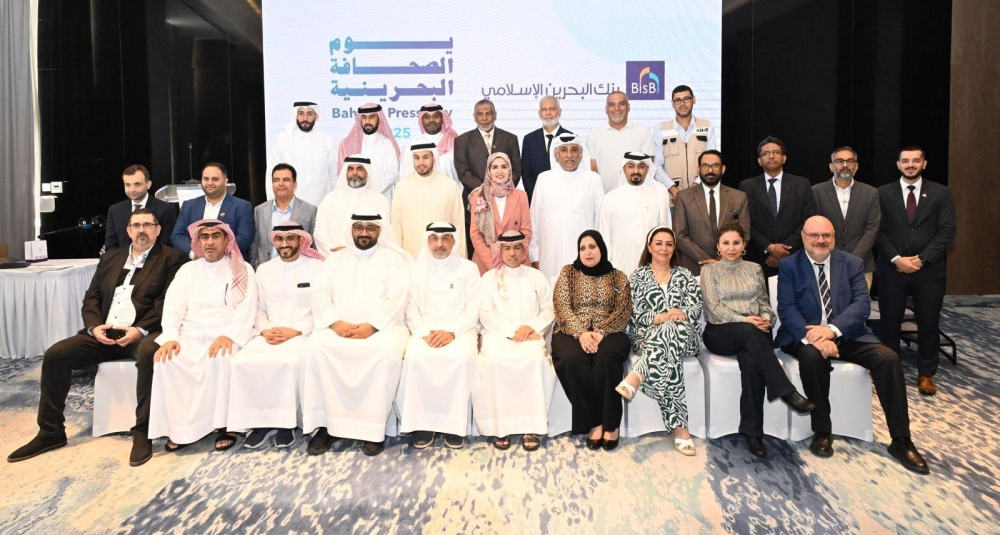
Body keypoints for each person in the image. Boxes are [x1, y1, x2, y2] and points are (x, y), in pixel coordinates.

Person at [7, 209, 186, 467]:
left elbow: (167, 302)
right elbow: (91, 298)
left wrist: (140, 330)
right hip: (105, 331)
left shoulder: (173, 258)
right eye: (136, 225)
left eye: (148, 225)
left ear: (158, 230)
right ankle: (50, 432)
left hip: (143, 333)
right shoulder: (110, 258)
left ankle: (143, 432)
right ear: (128, 230)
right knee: (56, 355)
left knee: (150, 353)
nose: (142, 230)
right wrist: (94, 328)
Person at [776, 216, 929, 474]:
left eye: (826, 235)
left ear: (833, 236)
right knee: (812, 358)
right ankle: (822, 431)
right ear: (803, 237)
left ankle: (901, 440)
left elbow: (861, 305)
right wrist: (816, 338)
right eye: (814, 235)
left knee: (888, 358)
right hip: (805, 335)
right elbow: (787, 308)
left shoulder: (852, 263)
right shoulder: (789, 265)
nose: (820, 240)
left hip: (847, 334)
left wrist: (831, 331)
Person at [699, 222, 815, 458]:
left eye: (736, 242)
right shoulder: (709, 271)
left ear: (744, 245)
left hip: (754, 333)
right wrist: (747, 321)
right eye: (726, 243)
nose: (731, 248)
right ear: (718, 246)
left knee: (752, 362)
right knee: (749, 332)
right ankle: (785, 390)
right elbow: (713, 309)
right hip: (720, 332)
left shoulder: (754, 268)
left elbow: (764, 303)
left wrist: (766, 319)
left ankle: (753, 433)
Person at [300, 212, 411, 456]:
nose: (363, 232)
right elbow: (320, 293)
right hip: (338, 327)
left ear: (379, 231)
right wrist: (335, 323)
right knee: (315, 349)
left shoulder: (394, 260)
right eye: (359, 227)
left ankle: (373, 429)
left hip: (383, 328)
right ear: (351, 230)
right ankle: (326, 427)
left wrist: (372, 326)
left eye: (370, 228)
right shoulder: (335, 260)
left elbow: (398, 297)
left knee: (384, 354)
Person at [149, 219, 258, 453]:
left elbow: (247, 309)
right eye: (204, 237)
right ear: (197, 242)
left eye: (215, 236)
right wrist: (171, 337)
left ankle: (225, 427)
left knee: (222, 358)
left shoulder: (242, 269)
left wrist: (229, 336)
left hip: (226, 333)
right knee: (168, 360)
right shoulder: (187, 271)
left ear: (226, 240)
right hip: (190, 335)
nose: (210, 242)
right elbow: (173, 307)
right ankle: (181, 429)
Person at [227, 223, 323, 449]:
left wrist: (296, 331)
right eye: (279, 239)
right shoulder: (264, 270)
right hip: (269, 333)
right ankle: (258, 423)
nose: (285, 243)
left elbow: (321, 309)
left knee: (288, 363)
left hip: (302, 334)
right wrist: (265, 330)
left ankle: (285, 425)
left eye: (290, 238)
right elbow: (259, 309)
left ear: (301, 240)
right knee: (242, 362)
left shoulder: (317, 267)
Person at [876, 146, 956, 395]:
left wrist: (922, 259)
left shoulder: (941, 193)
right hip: (892, 270)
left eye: (916, 160)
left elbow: (947, 231)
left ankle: (926, 374)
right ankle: (891, 371)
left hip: (929, 271)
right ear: (898, 164)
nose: (910, 164)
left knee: (928, 323)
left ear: (924, 164)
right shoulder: (882, 193)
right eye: (905, 161)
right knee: (889, 322)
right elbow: (877, 230)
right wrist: (896, 259)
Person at [616, 227, 702, 456]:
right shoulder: (637, 277)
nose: (664, 248)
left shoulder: (685, 275)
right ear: (649, 247)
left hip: (686, 336)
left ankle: (638, 374)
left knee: (671, 331)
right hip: (647, 337)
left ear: (674, 248)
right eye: (659, 243)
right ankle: (681, 430)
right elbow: (634, 314)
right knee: (667, 349)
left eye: (669, 244)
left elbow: (695, 307)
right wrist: (662, 318)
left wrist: (680, 314)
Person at [396, 222, 482, 449]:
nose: (440, 244)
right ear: (427, 241)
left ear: (454, 241)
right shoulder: (416, 270)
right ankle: (422, 424)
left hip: (460, 332)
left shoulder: (468, 269)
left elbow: (473, 309)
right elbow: (410, 309)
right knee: (415, 358)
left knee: (461, 358)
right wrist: (425, 333)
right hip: (425, 332)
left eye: (445, 238)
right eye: (434, 238)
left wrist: (452, 333)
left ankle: (454, 425)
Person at [474, 231, 556, 451]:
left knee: (535, 360)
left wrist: (531, 327)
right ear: (499, 251)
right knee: (495, 361)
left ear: (524, 251)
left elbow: (549, 309)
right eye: (507, 248)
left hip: (530, 335)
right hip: (498, 334)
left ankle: (532, 426)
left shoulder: (536, 277)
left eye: (517, 248)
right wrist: (510, 332)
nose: (512, 253)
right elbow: (484, 313)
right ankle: (501, 427)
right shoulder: (489, 278)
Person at [551, 231, 632, 450]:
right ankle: (595, 421)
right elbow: (561, 306)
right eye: (583, 248)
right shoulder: (568, 273)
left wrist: (601, 331)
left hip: (611, 331)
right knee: (571, 357)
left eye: (592, 246)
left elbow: (623, 310)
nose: (587, 252)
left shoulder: (618, 277)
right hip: (570, 330)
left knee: (606, 357)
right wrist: (581, 333)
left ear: (601, 248)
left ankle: (611, 424)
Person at [740, 136, 818, 278]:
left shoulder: (801, 184)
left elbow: (808, 220)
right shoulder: (747, 186)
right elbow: (745, 223)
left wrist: (782, 250)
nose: (771, 156)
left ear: (784, 158)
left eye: (776, 152)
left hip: (794, 257)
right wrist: (769, 247)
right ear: (759, 161)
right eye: (766, 153)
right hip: (758, 258)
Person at [529, 134, 604, 281]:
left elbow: (601, 221)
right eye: (564, 150)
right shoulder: (544, 179)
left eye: (574, 150)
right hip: (550, 253)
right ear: (556, 156)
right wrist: (534, 255)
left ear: (580, 155)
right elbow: (534, 219)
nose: (569, 155)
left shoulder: (593, 179)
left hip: (584, 254)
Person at [454, 100, 522, 258]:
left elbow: (516, 169)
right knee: (478, 251)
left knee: (506, 250)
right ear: (474, 116)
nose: (484, 118)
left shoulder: (510, 138)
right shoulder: (462, 141)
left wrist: (500, 191)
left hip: (505, 202)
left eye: (488, 113)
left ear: (495, 115)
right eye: (480, 114)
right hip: (475, 203)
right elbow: (463, 173)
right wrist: (487, 191)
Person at [810, 147, 880, 289]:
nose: (845, 165)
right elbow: (814, 228)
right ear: (831, 166)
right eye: (839, 161)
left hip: (861, 265)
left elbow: (872, 229)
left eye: (850, 161)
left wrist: (853, 259)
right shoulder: (816, 191)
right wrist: (836, 257)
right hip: (826, 262)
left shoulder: (871, 192)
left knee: (859, 303)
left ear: (856, 166)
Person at [673, 150, 750, 276]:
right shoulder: (683, 197)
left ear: (723, 169)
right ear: (698, 169)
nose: (710, 170)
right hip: (693, 267)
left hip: (729, 267)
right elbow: (680, 235)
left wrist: (721, 261)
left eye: (715, 166)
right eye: (705, 166)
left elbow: (745, 234)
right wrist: (706, 261)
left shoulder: (739, 197)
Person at [391, 139, 467, 259]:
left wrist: (460, 260)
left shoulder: (450, 186)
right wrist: (398, 260)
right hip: (411, 258)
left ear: (434, 158)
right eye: (417, 158)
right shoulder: (402, 187)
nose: (421, 162)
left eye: (425, 157)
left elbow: (459, 227)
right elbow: (396, 228)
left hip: (444, 259)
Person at [598, 152, 671, 277]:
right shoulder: (610, 198)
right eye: (631, 166)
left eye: (641, 166)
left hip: (651, 265)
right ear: (624, 169)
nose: (636, 171)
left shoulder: (658, 196)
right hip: (619, 264)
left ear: (647, 169)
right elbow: (604, 236)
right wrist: (607, 265)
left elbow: (666, 232)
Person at [172, 162, 255, 260]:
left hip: (230, 263)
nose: (210, 183)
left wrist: (216, 254)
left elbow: (245, 238)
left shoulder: (242, 206)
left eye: (215, 179)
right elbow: (177, 236)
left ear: (225, 181)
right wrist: (195, 253)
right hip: (196, 264)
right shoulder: (189, 206)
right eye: (206, 179)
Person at [313, 155, 391, 257]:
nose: (354, 173)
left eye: (359, 169)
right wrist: (332, 250)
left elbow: (383, 233)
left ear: (367, 172)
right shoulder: (330, 199)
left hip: (367, 258)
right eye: (350, 169)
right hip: (332, 258)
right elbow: (319, 230)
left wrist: (359, 254)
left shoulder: (380, 200)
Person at [586, 91, 664, 193]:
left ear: (628, 107)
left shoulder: (643, 131)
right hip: (604, 197)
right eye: (612, 104)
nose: (616, 108)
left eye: (621, 104)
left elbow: (647, 167)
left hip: (636, 197)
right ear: (606, 109)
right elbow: (593, 171)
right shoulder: (594, 134)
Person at [469, 152, 532, 274]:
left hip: (516, 261)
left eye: (504, 166)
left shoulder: (521, 196)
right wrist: (493, 264)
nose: (500, 171)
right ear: (488, 171)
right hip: (486, 263)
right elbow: (475, 234)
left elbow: (526, 231)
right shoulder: (479, 196)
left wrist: (513, 259)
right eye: (494, 167)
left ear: (510, 170)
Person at [266, 101, 338, 206]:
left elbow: (334, 177)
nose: (305, 118)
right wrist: (272, 204)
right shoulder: (284, 139)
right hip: (291, 206)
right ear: (295, 115)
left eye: (309, 114)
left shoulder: (327, 140)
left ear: (316, 116)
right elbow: (272, 173)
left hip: (322, 206)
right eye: (301, 113)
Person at [250, 163, 318, 268]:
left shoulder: (310, 210)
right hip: (267, 271)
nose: (281, 184)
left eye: (286, 180)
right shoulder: (260, 210)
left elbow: (314, 246)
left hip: (298, 270)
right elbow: (254, 245)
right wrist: (255, 268)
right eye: (276, 180)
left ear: (295, 184)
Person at [659, 85, 718, 203]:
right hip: (672, 199)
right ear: (672, 103)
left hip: (701, 197)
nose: (682, 104)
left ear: (693, 100)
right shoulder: (661, 128)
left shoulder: (707, 126)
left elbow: (712, 162)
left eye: (686, 98)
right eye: (677, 100)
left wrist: (694, 188)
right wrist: (674, 191)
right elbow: (656, 166)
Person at [104, 164, 178, 251]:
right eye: (128, 185)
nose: (132, 189)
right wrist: (129, 258)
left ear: (148, 184)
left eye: (137, 184)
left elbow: (166, 244)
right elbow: (111, 245)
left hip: (156, 258)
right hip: (123, 259)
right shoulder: (115, 210)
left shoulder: (165, 209)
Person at [337, 103, 400, 200]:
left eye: (372, 117)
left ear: (379, 119)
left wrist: (372, 191)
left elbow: (393, 173)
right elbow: (344, 176)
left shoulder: (387, 143)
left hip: (382, 198)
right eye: (364, 117)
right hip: (356, 199)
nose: (367, 121)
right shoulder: (347, 144)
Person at [520, 96, 572, 202]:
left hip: (565, 199)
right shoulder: (529, 139)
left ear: (559, 111)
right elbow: (526, 174)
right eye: (544, 109)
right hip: (536, 200)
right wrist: (535, 198)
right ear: (539, 113)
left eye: (552, 109)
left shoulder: (571, 139)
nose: (548, 113)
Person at [399, 103, 460, 188]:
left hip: (449, 191)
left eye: (436, 116)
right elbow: (404, 174)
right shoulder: (413, 144)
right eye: (427, 117)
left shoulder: (455, 142)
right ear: (422, 121)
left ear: (442, 119)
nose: (431, 120)